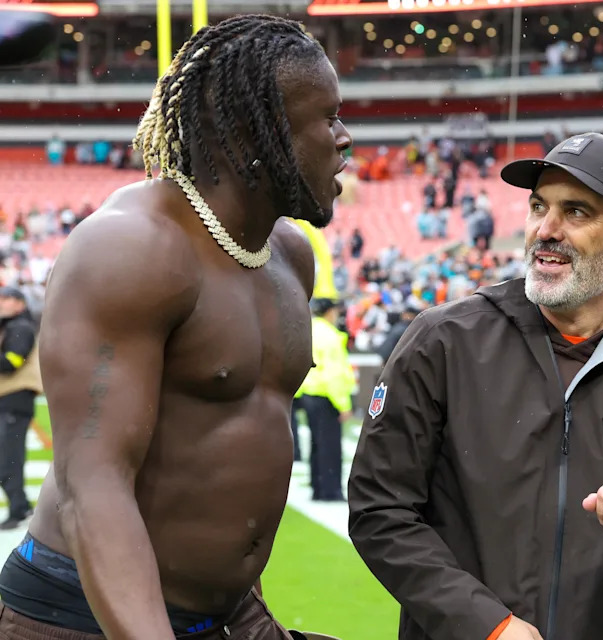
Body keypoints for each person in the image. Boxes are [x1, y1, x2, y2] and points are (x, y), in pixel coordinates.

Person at [0, 15, 352, 639]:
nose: (344, 138)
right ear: (256, 132)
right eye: (326, 118)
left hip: (230, 614)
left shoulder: (289, 255)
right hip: (81, 617)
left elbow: (237, 447)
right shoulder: (132, 248)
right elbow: (95, 487)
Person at [348, 133, 603, 640]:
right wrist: (486, 624)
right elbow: (380, 510)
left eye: (577, 212)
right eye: (538, 207)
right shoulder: (446, 340)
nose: (546, 230)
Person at [296, 297, 354, 502]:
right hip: (326, 395)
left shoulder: (309, 330)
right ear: (330, 312)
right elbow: (334, 374)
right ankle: (330, 491)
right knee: (329, 445)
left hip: (310, 393)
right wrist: (344, 404)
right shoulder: (330, 336)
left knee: (316, 444)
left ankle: (318, 487)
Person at [0, 286, 40, 531]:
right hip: (8, 402)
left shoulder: (20, 328)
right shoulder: (12, 327)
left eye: (4, 299)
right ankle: (21, 505)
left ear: (19, 303)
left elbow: (12, 362)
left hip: (14, 402)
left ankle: (19, 508)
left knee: (9, 460)